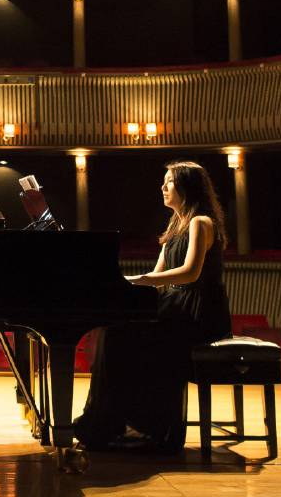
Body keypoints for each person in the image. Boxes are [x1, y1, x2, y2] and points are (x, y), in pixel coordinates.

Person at [74, 160, 232, 450]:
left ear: (187, 187)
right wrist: (123, 283)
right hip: (178, 307)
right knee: (114, 330)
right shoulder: (175, 225)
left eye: (169, 181)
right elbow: (157, 278)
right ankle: (110, 421)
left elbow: (190, 272)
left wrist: (140, 279)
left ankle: (134, 424)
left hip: (198, 314)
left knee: (122, 336)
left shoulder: (201, 222)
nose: (162, 187)